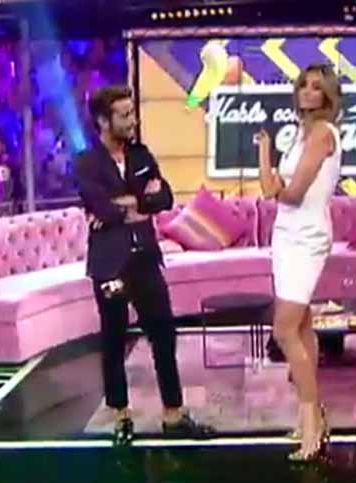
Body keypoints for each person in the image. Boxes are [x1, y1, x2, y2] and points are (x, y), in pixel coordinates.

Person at [75, 85, 214, 445]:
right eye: (124, 115)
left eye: (132, 113)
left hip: (146, 259)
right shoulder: (87, 162)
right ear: (103, 121)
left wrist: (125, 205)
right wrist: (135, 203)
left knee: (164, 334)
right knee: (114, 338)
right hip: (110, 265)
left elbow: (164, 198)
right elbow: (101, 207)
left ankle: (173, 414)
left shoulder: (141, 155)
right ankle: (121, 415)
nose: (132, 121)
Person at [255, 63, 343, 461]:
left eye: (316, 87)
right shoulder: (299, 134)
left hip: (307, 238)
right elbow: (269, 188)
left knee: (284, 329)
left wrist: (280, 187)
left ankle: (312, 424)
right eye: (303, 85)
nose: (307, 92)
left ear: (327, 95)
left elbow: (291, 194)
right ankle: (314, 416)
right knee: (302, 326)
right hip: (285, 235)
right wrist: (264, 150)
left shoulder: (323, 133)